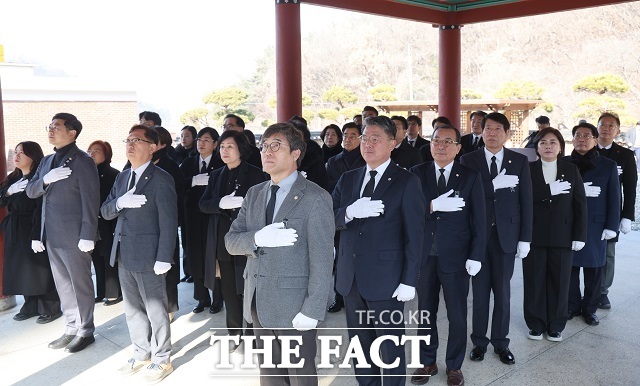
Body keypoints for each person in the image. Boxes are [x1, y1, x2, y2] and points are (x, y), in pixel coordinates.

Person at [225, 122, 335, 385]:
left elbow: (323, 259)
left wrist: (313, 309)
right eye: (264, 146)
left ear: (296, 153)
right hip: (259, 304)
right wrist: (257, 238)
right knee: (270, 377)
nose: (267, 152)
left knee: (300, 378)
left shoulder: (315, 198)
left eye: (276, 146)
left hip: (295, 308)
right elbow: (231, 241)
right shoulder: (255, 194)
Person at [333, 115, 426, 385]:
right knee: (361, 349)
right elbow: (329, 217)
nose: (368, 144)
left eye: (376, 139)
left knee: (390, 349)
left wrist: (410, 280)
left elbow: (415, 235)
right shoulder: (348, 179)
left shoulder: (406, 181)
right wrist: (349, 212)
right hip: (351, 280)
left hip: (388, 280)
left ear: (393, 143)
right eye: (365, 138)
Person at [409, 124, 486, 386]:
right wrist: (431, 205)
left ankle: (454, 365)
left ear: (458, 147)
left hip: (457, 256)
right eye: (436, 141)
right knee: (425, 312)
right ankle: (427, 361)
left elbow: (480, 219)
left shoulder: (470, 175)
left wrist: (476, 254)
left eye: (448, 142)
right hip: (424, 256)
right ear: (429, 144)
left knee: (456, 314)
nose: (441, 146)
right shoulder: (416, 173)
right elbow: (406, 213)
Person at [101, 125, 178, 383]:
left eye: (137, 140)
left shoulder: (161, 178)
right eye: (128, 140)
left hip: (150, 255)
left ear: (153, 146)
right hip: (124, 252)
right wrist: (120, 202)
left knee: (156, 309)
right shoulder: (123, 178)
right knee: (132, 309)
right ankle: (142, 351)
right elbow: (106, 210)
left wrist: (164, 257)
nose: (130, 145)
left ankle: (162, 358)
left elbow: (169, 221)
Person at [460, 112, 533, 366]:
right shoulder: (468, 160)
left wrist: (525, 238)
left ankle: (501, 343)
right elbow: (466, 197)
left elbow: (526, 201)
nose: (491, 133)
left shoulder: (519, 160)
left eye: (497, 129)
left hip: (507, 237)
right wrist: (493, 184)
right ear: (481, 132)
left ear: (507, 133)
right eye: (487, 128)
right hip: (478, 237)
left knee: (502, 293)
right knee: (479, 294)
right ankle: (479, 342)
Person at [26, 113, 100, 353]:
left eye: (56, 126)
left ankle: (86, 330)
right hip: (53, 234)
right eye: (49, 126)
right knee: (64, 285)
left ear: (72, 133)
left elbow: (91, 200)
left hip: (75, 235)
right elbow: (31, 192)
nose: (50, 130)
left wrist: (88, 234)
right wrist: (45, 180)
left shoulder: (83, 161)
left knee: (80, 284)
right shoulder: (47, 162)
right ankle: (71, 327)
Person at [199, 130, 267, 349]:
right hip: (223, 240)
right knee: (229, 289)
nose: (224, 151)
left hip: (247, 239)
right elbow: (203, 204)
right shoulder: (217, 174)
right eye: (222, 147)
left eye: (230, 147)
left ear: (241, 149)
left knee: (249, 287)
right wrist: (220, 203)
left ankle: (253, 333)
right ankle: (235, 332)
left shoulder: (256, 174)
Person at [524, 127, 587, 342]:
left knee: (560, 283)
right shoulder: (528, 169)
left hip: (563, 234)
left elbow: (580, 204)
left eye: (552, 142)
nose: (548, 146)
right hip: (534, 234)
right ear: (537, 147)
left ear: (560, 146)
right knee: (534, 281)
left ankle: (555, 326)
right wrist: (547, 191)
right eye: (543, 142)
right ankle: (535, 323)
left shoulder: (570, 169)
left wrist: (580, 235)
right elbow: (524, 199)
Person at [564, 122, 620, 326]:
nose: (581, 139)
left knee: (594, 270)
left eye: (587, 136)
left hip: (596, 225)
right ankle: (571, 305)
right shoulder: (563, 162)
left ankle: (590, 309)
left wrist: (612, 226)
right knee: (569, 268)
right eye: (577, 135)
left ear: (595, 141)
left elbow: (614, 197)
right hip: (568, 223)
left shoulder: (607, 165)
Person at [1, 141, 61, 324]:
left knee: (40, 268)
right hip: (16, 228)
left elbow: (40, 208)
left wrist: (37, 235)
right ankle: (30, 305)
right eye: (15, 152)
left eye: (21, 153)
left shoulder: (39, 178)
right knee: (23, 269)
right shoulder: (13, 178)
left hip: (34, 226)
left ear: (33, 156)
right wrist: (8, 193)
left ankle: (50, 307)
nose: (16, 156)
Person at [595, 112, 637, 310]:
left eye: (611, 125)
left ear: (618, 131)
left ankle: (602, 291)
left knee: (608, 253)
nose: (606, 128)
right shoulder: (585, 149)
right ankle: (579, 292)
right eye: (603, 124)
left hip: (611, 211)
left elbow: (630, 187)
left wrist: (627, 216)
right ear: (597, 127)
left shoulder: (626, 155)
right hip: (586, 210)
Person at [325, 122, 366, 313]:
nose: (348, 139)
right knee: (340, 258)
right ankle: (339, 296)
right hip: (340, 215)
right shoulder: (333, 161)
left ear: (360, 138)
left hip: (362, 217)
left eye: (352, 135)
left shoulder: (366, 160)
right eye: (346, 135)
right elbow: (329, 189)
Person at [179, 127, 221, 314]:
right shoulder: (189, 162)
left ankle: (218, 299)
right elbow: (178, 183)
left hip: (213, 217)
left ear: (215, 144)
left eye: (206, 140)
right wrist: (193, 180)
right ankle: (202, 298)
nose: (201, 143)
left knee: (214, 256)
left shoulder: (221, 162)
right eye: (199, 139)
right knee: (195, 255)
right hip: (193, 216)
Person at [150, 126, 185, 321]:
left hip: (164, 223)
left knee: (168, 267)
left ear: (162, 144)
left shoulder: (169, 165)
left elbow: (178, 196)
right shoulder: (135, 164)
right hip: (144, 226)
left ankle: (170, 307)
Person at [87, 140, 121, 306]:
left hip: (108, 222)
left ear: (106, 154)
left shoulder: (113, 174)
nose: (92, 154)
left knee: (109, 257)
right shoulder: (86, 172)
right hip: (92, 222)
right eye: (90, 151)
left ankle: (114, 293)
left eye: (97, 151)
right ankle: (101, 292)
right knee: (96, 258)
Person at [288, 118, 330, 191]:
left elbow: (322, 188)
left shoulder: (315, 161)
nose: (294, 141)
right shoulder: (277, 159)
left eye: (298, 137)